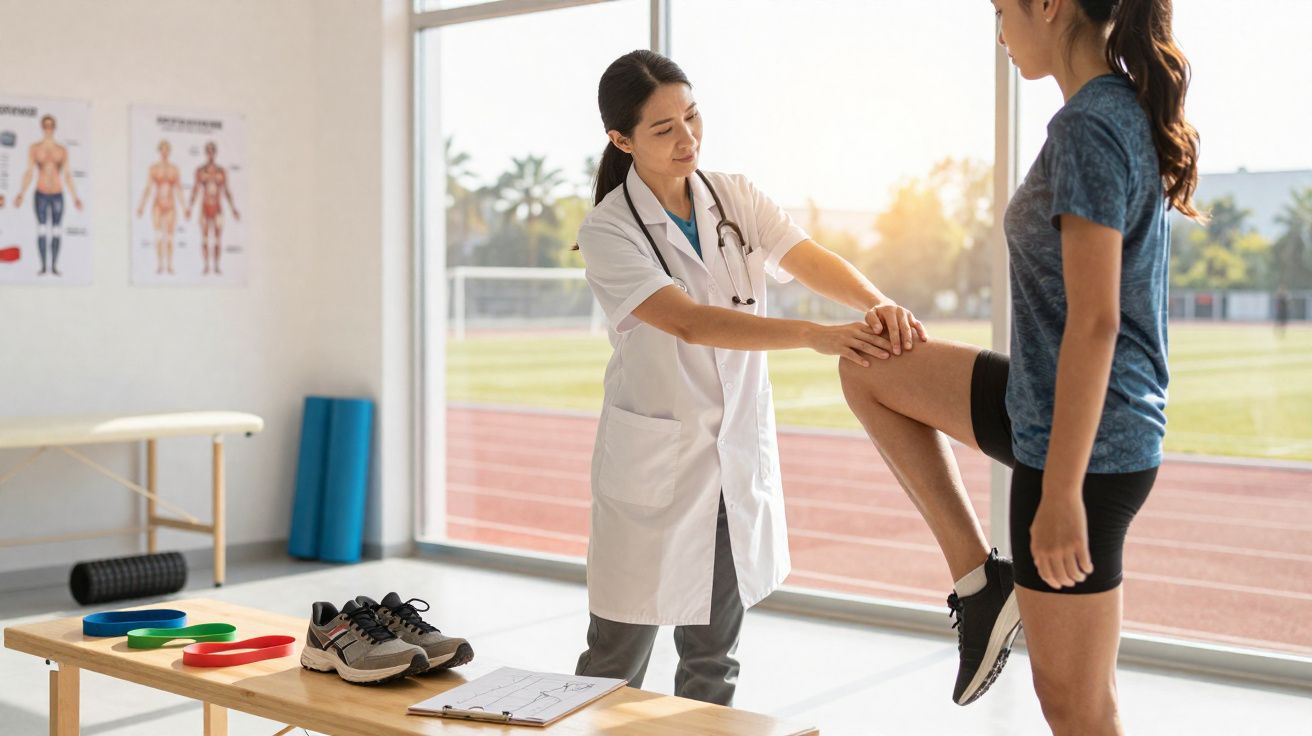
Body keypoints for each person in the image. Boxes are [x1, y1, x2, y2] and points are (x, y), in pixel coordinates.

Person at [838, 0, 1203, 728]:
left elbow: (1096, 321)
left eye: (1003, 11)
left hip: (1085, 448)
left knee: (1076, 708)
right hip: (1046, 409)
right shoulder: (1110, 110)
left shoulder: (1088, 127)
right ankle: (982, 586)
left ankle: (990, 584)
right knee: (868, 367)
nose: (1000, 32)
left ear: (1050, 6)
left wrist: (1061, 492)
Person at [571, 49, 930, 707]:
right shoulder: (608, 231)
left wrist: (877, 303)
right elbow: (687, 323)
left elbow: (807, 256)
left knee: (714, 661)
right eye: (664, 129)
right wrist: (814, 335)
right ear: (621, 140)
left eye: (693, 116)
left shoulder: (734, 195)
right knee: (613, 666)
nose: (688, 138)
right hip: (657, 464)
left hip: (732, 458)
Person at [12, 114, 83, 276]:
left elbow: (67, 175)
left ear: (54, 127)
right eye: (46, 125)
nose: (48, 129)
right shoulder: (34, 148)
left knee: (57, 230)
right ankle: (44, 266)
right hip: (41, 193)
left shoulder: (62, 150)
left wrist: (75, 197)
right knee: (42, 230)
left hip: (57, 194)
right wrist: (21, 193)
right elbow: (29, 172)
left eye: (51, 125)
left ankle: (54, 266)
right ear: (42, 127)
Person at [187, 141, 240, 275]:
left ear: (215, 153)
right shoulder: (200, 171)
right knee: (204, 238)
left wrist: (233, 209)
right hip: (205, 207)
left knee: (217, 239)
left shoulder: (221, 171)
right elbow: (195, 190)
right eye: (208, 151)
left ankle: (216, 265)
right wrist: (190, 207)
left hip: (217, 208)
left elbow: (226, 190)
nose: (210, 154)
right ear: (206, 153)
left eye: (212, 151)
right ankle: (206, 265)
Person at [137, 140, 186, 275]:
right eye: (162, 149)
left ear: (169, 151)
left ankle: (169, 265)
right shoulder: (153, 168)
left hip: (171, 205)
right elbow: (148, 188)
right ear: (159, 151)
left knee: (169, 237)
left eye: (167, 149)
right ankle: (159, 265)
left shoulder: (174, 169)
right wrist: (141, 206)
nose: (164, 152)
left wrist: (184, 207)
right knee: (158, 236)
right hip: (157, 205)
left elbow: (179, 189)